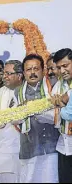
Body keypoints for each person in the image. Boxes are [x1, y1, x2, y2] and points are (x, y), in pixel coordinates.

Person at [14, 54, 59, 183]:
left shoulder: (54, 86)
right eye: (29, 69)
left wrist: (31, 110)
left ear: (43, 70)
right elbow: (14, 120)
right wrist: (21, 113)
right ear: (23, 72)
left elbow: (57, 117)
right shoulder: (17, 92)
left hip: (52, 148)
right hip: (29, 148)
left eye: (36, 68)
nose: (32, 73)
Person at [0, 60, 23, 182]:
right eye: (4, 73)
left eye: (8, 73)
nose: (4, 76)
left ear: (19, 75)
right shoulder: (0, 93)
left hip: (26, 150)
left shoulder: (28, 92)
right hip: (5, 150)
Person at [51, 48, 72, 183]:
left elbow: (68, 114)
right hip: (64, 145)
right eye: (59, 67)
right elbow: (54, 113)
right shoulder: (58, 86)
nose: (62, 71)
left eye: (65, 66)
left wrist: (62, 106)